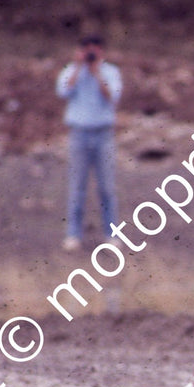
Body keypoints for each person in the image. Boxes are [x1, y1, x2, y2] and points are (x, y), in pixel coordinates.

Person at [55, 35, 122, 251]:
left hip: (103, 134)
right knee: (77, 187)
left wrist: (96, 73)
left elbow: (112, 96)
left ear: (102, 51)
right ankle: (73, 234)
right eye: (87, 49)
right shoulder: (71, 70)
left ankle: (111, 233)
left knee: (107, 187)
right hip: (79, 134)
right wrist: (78, 67)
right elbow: (63, 91)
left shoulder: (111, 72)